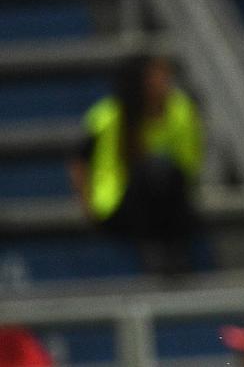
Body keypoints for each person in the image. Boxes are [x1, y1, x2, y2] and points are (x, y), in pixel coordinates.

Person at [70, 55, 204, 274]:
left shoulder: (181, 111)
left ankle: (174, 253)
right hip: (116, 203)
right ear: (139, 82)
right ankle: (153, 250)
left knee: (164, 172)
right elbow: (79, 160)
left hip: (168, 200)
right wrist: (87, 204)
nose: (165, 82)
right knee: (149, 171)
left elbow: (189, 164)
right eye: (157, 77)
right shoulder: (108, 115)